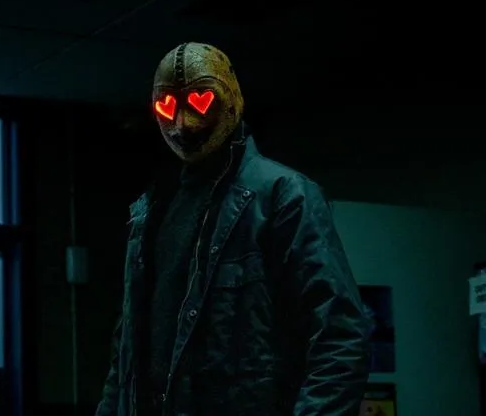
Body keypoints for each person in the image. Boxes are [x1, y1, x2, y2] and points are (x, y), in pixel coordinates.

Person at [94, 42, 370, 416]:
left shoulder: (283, 196)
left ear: (231, 97)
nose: (182, 124)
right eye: (167, 107)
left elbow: (339, 338)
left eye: (201, 102)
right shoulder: (151, 210)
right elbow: (125, 356)